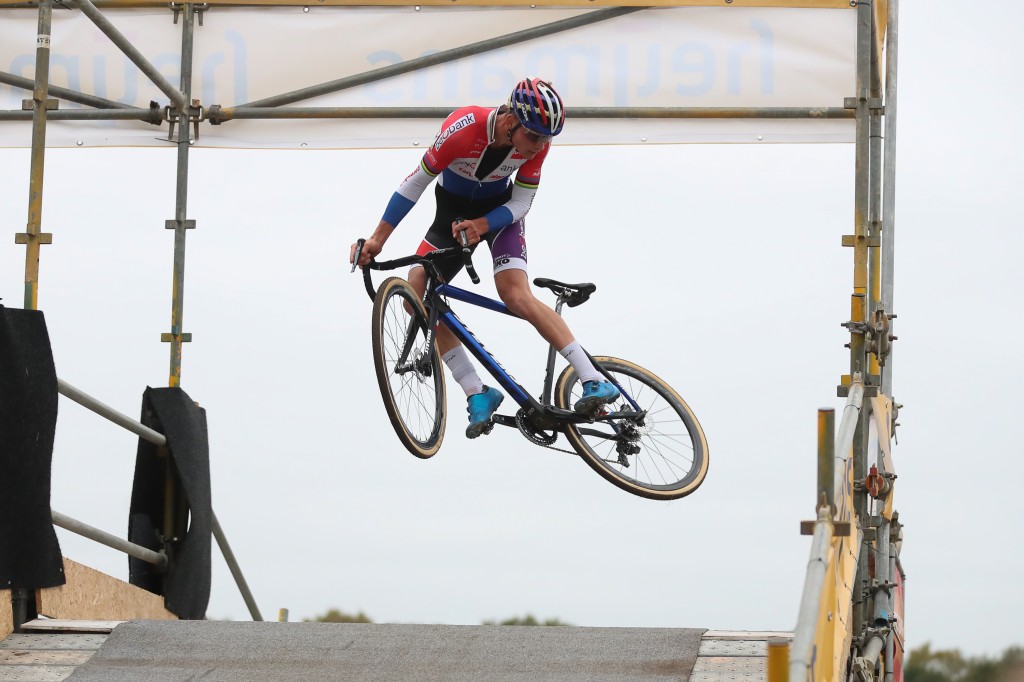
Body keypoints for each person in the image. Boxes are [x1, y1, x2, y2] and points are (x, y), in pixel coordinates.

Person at [350, 77, 618, 438]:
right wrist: (378, 239)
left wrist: (483, 223)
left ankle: (591, 379)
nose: (540, 145)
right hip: (452, 217)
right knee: (416, 297)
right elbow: (415, 182)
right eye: (536, 136)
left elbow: (522, 202)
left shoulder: (538, 145)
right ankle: (478, 392)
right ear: (511, 122)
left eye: (546, 139)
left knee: (515, 294)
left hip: (500, 216)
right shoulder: (463, 129)